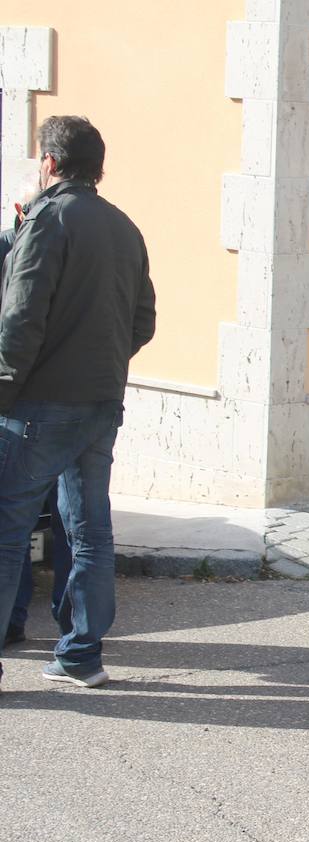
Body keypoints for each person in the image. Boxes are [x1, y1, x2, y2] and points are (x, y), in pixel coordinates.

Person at [0, 115, 156, 691]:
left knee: (7, 531)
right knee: (90, 531)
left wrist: (4, 390)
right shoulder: (125, 227)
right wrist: (105, 361)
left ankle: (74, 655)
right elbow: (143, 321)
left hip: (38, 405)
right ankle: (81, 655)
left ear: (49, 163)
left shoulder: (46, 220)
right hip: (99, 401)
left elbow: (20, 319)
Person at [0, 215, 74, 650]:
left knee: (26, 520)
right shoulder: (78, 241)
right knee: (42, 520)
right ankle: (34, 625)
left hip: (30, 405)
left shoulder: (45, 245)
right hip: (64, 400)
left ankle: (62, 628)